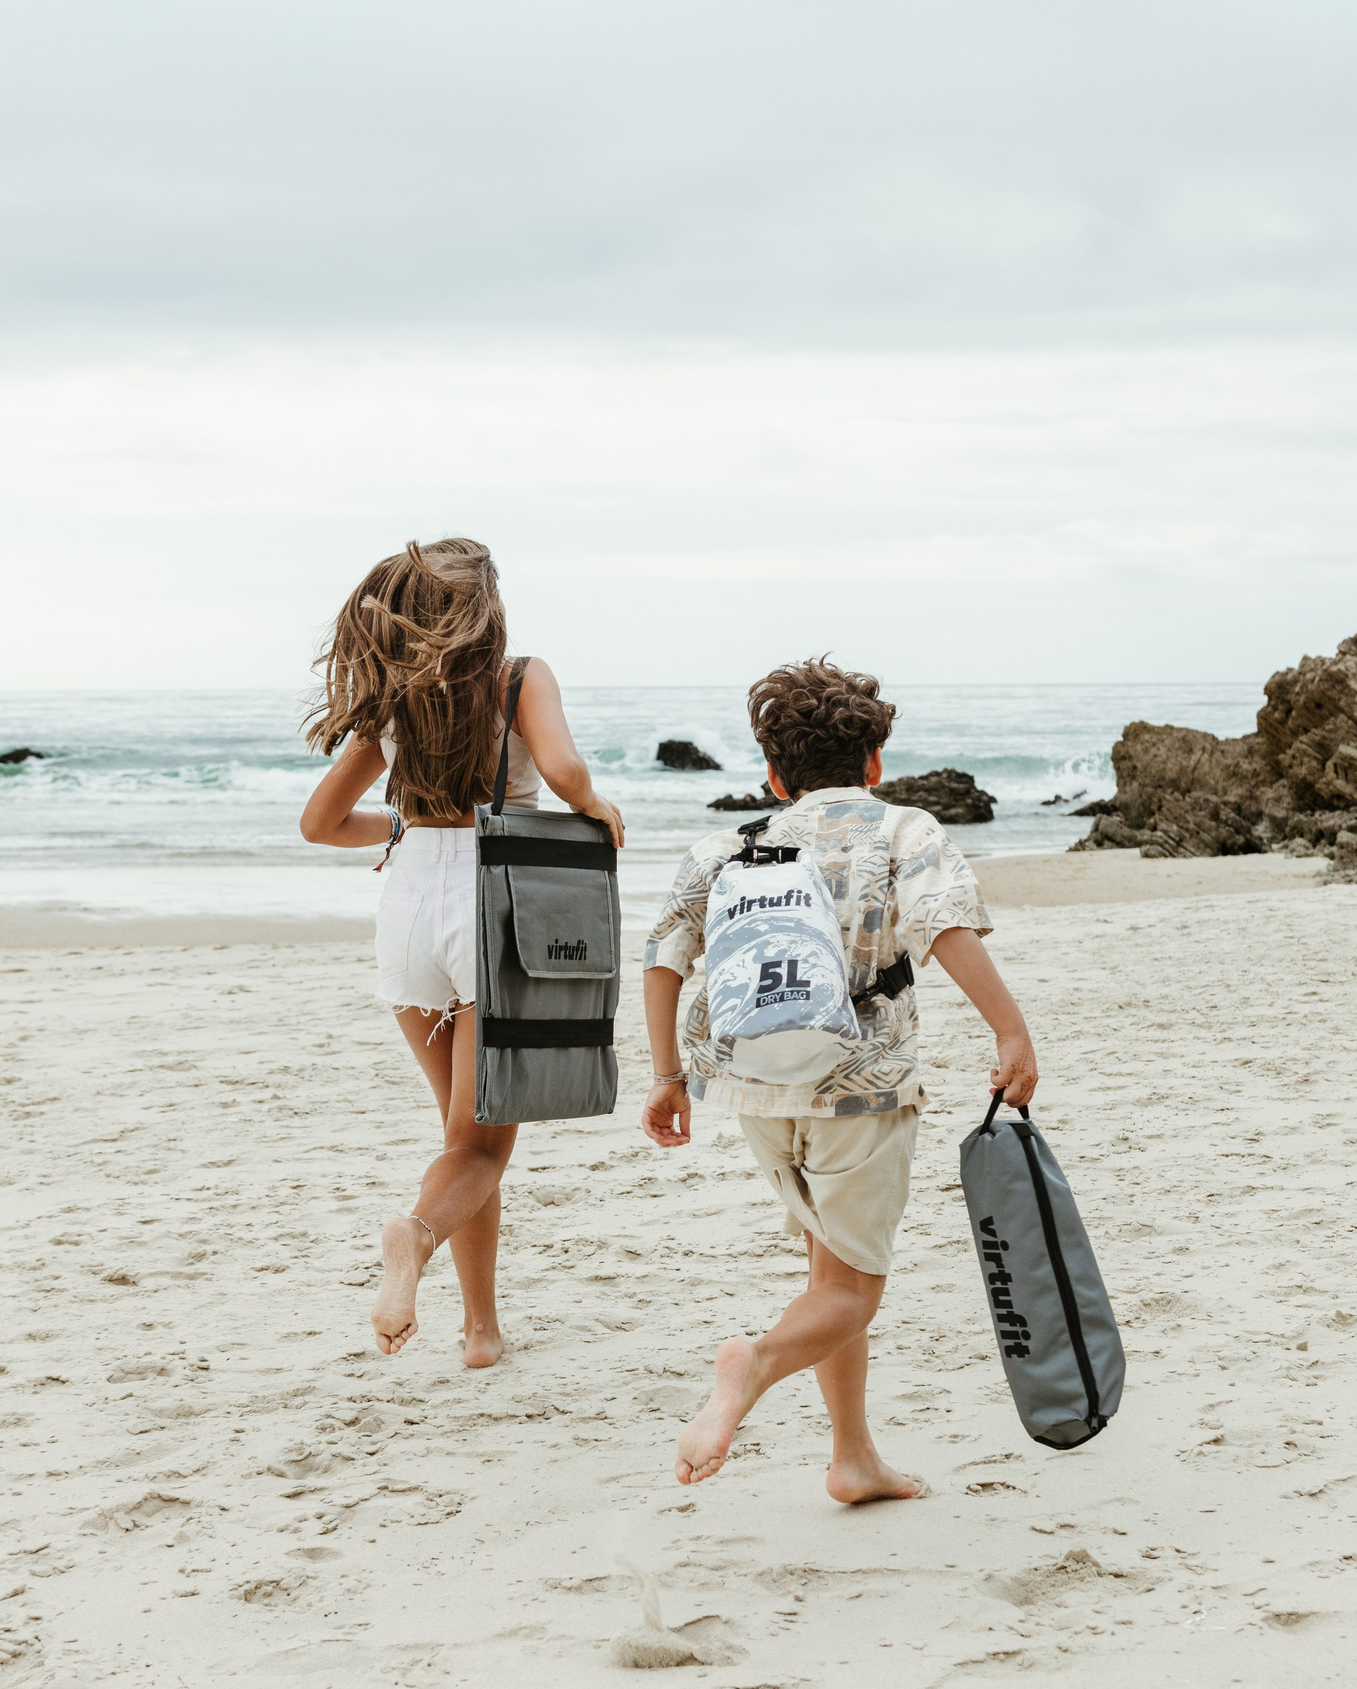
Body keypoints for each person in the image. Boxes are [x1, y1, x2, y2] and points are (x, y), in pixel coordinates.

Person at [639, 657, 1038, 1502]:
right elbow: (945, 928)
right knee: (854, 1293)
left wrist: (667, 1076)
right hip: (863, 1088)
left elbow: (664, 959)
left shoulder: (728, 845)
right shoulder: (904, 830)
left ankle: (852, 1459)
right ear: (875, 763)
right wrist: (1010, 1029)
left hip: (751, 1085)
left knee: (829, 1269)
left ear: (774, 772)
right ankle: (752, 1367)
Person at [299, 538, 625, 1368]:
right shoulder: (520, 679)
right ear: (487, 607)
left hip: (409, 911)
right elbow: (563, 769)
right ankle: (413, 1234)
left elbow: (323, 825)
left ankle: (481, 1330)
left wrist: (402, 826)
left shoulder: (393, 700)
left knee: (464, 1135)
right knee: (479, 1145)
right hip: (496, 908)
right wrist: (600, 806)